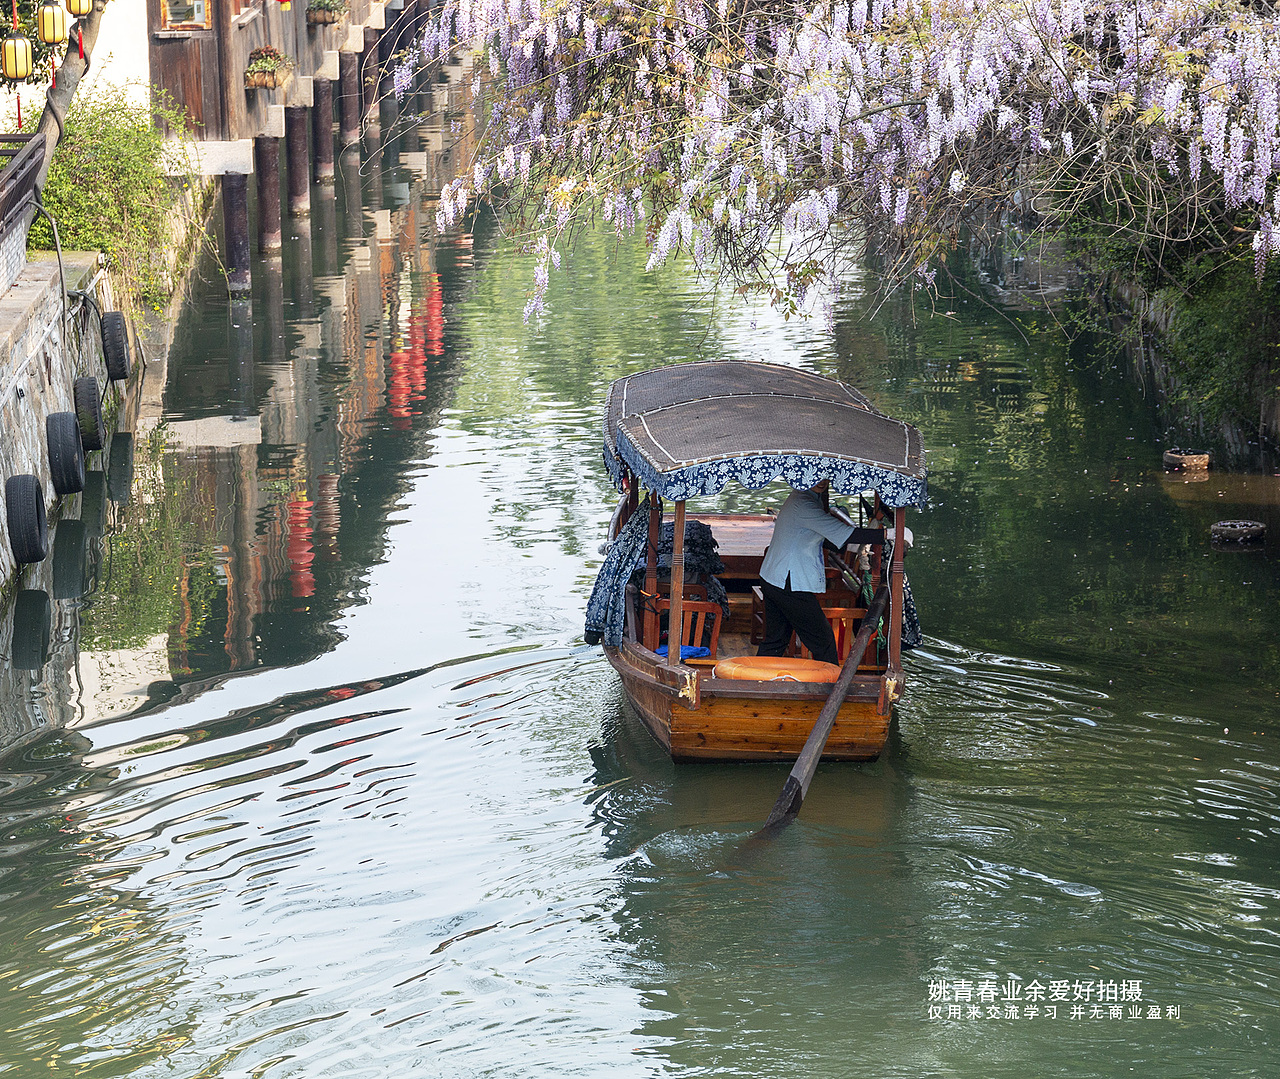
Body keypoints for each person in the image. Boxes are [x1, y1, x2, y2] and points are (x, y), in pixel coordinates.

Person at [756, 481, 857, 666]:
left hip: (773, 577)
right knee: (823, 640)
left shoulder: (804, 497)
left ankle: (754, 680)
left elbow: (822, 535)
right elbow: (844, 533)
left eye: (825, 477)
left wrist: (852, 545)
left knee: (776, 640)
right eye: (816, 477)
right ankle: (831, 681)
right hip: (788, 581)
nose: (822, 482)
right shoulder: (804, 504)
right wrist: (887, 535)